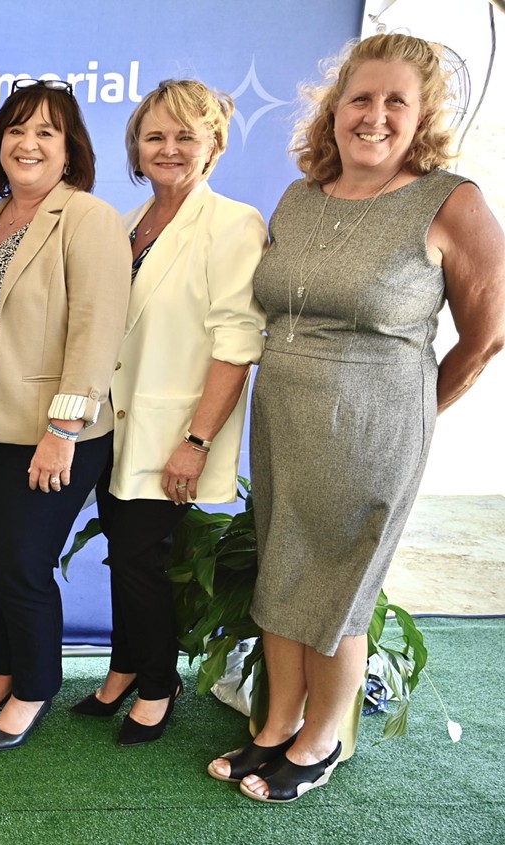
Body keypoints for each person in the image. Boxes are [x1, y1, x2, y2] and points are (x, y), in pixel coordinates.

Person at [207, 33, 505, 802]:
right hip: (284, 417)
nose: (373, 116)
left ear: (424, 114)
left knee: (340, 584)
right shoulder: (300, 196)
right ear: (334, 110)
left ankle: (322, 738)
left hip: (376, 430)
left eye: (394, 102)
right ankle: (274, 725)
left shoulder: (450, 200)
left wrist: (413, 413)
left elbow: (487, 333)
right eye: (359, 99)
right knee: (282, 564)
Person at [70, 79, 266, 747]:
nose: (170, 147)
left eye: (186, 135)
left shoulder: (233, 223)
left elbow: (237, 343)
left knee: (140, 558)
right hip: (114, 425)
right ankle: (126, 664)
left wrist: (197, 438)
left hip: (174, 430)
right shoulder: (126, 224)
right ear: (135, 147)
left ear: (213, 144)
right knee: (123, 555)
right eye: (155, 135)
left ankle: (158, 683)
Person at [0, 79, 129, 751]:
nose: (28, 143)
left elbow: (97, 328)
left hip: (50, 431)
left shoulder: (87, 217)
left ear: (70, 148)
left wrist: (63, 429)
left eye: (46, 132)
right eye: (17, 130)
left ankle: (36, 686)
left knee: (22, 563)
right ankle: (5, 669)